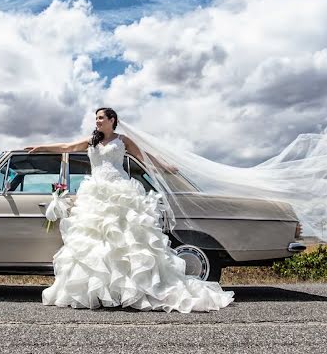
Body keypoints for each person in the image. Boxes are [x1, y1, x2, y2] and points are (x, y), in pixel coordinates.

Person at [25, 107, 235, 313]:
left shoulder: (123, 140)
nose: (97, 121)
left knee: (126, 241)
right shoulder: (92, 141)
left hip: (120, 192)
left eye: (100, 118)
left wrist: (165, 167)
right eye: (96, 118)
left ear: (112, 119)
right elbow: (67, 147)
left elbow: (145, 157)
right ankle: (101, 291)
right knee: (96, 242)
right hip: (95, 193)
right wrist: (42, 147)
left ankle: (132, 290)